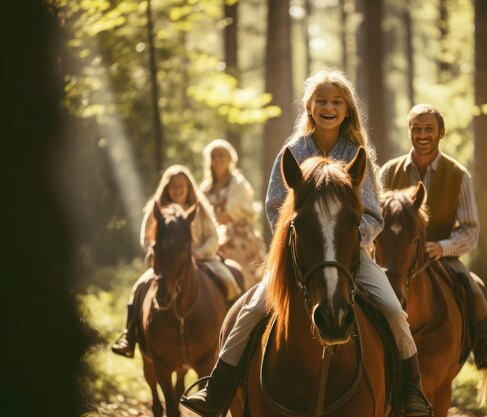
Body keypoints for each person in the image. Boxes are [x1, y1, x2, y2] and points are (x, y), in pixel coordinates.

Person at [180, 68, 433, 417]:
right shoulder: (294, 150)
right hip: (300, 253)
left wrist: (342, 240)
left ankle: (410, 391)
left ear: (347, 109)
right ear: (309, 107)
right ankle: (218, 388)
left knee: (392, 310)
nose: (328, 107)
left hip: (350, 254)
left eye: (336, 101)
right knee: (251, 310)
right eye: (321, 101)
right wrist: (300, 240)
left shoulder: (356, 152)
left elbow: (373, 214)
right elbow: (273, 206)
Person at [378, 103, 487, 370]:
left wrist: (442, 247)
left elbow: (470, 229)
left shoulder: (458, 174)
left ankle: (483, 344)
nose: (423, 134)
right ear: (409, 131)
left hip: (439, 254)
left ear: (441, 132)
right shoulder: (388, 171)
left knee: (473, 287)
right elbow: (375, 218)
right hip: (394, 255)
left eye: (429, 129)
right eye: (417, 128)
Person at [111, 164, 241, 359]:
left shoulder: (200, 208)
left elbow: (213, 237)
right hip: (166, 263)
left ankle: (235, 332)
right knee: (139, 288)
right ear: (166, 187)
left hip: (203, 259)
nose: (178, 189)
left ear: (189, 187)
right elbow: (146, 237)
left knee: (230, 281)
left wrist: (199, 252)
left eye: (182, 185)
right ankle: (129, 337)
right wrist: (153, 251)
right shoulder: (157, 209)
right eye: (173, 185)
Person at [200, 139, 267, 290]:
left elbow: (235, 213)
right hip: (211, 235)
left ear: (230, 158)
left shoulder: (238, 183)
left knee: (238, 267)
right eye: (214, 156)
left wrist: (219, 220)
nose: (217, 160)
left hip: (238, 237)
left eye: (221, 155)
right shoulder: (205, 188)